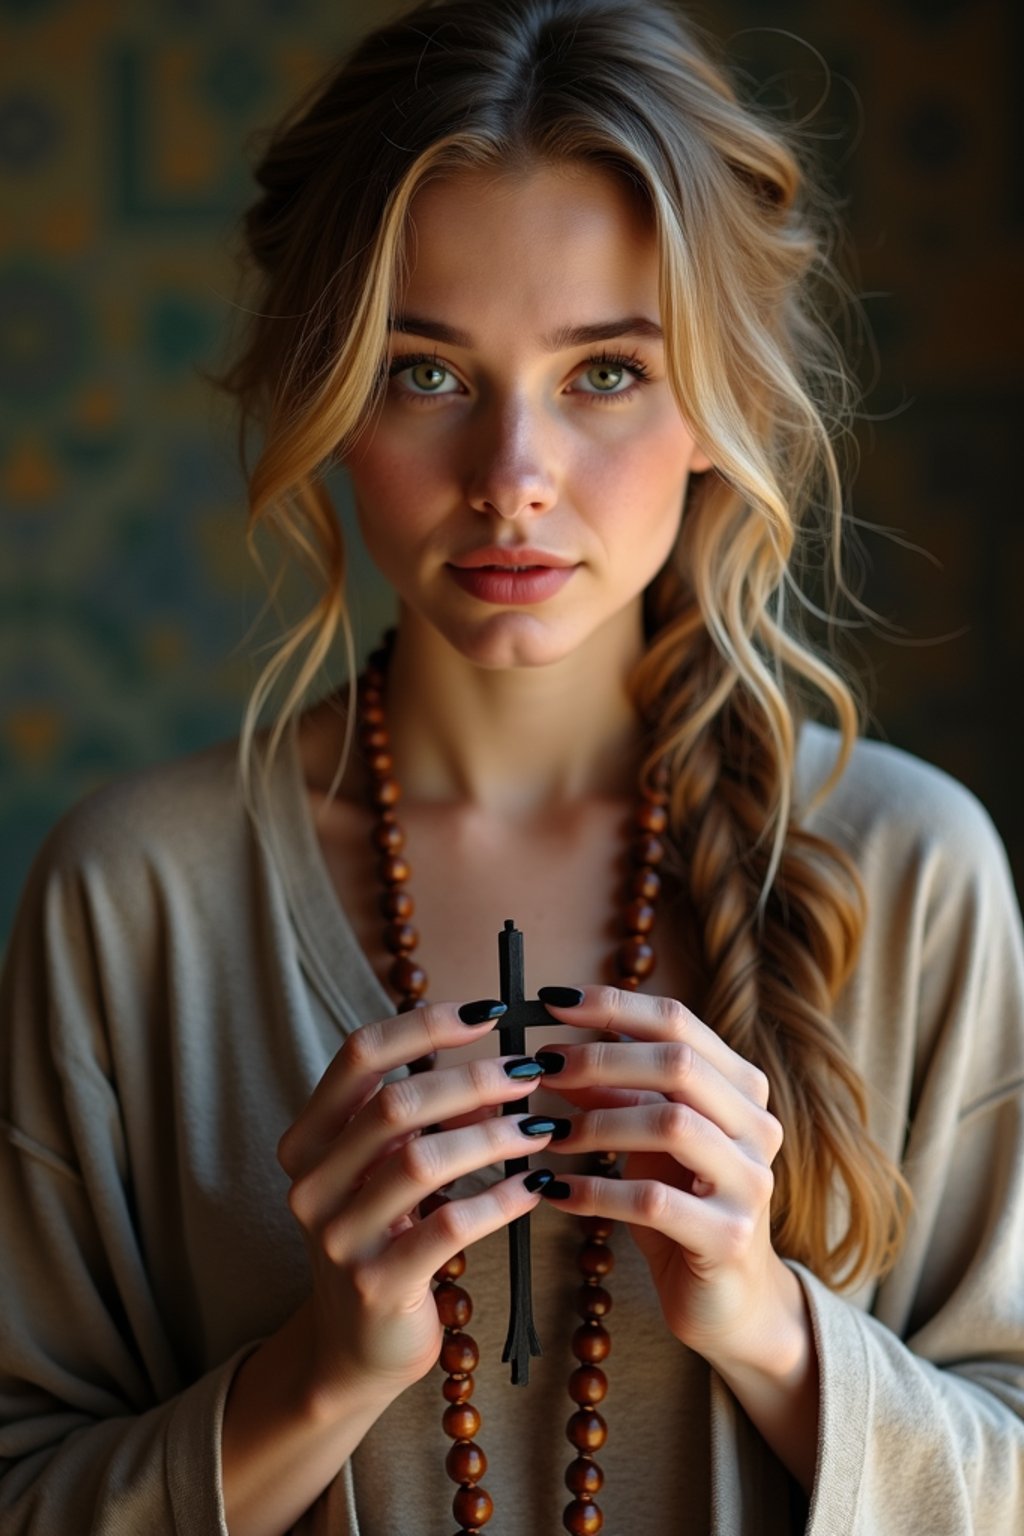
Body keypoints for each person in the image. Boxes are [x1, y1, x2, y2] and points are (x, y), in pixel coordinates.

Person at [1, 0, 1022, 1531]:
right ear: (327, 398)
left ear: (716, 404)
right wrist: (324, 1374)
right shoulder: (131, 894)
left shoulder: (914, 869)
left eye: (605, 372)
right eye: (425, 373)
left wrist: (761, 1316)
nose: (512, 482)